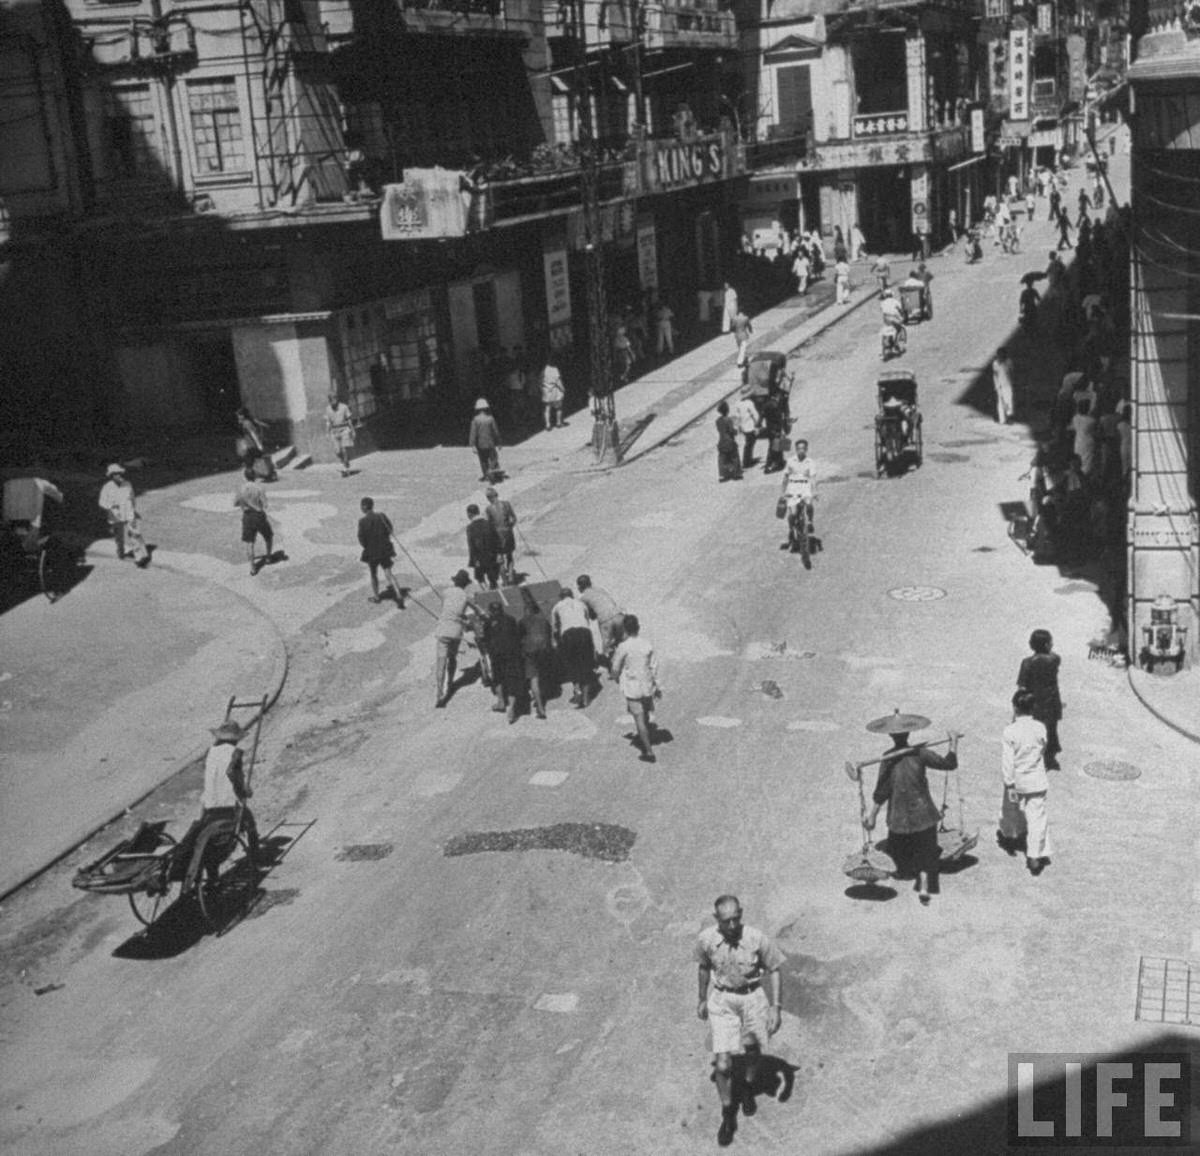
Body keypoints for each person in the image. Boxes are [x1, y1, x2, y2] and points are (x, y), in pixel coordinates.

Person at [695, 895, 785, 1147]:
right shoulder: (706, 939)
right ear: (717, 920)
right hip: (722, 1000)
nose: (733, 925)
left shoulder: (756, 938)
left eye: (737, 919)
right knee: (723, 1065)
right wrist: (701, 998)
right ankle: (727, 1114)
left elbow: (775, 968)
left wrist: (776, 1007)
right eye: (727, 921)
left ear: (741, 914)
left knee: (752, 1050)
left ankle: (747, 1087)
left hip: (752, 998)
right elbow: (702, 967)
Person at [862, 713, 959, 904]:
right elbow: (949, 764)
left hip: (899, 820)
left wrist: (872, 816)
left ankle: (911, 868)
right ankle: (924, 881)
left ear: (891, 736)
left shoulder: (888, 757)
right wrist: (953, 742)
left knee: (900, 864)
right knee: (926, 855)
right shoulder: (920, 753)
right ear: (909, 734)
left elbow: (882, 791)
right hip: (924, 816)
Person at [175, 720, 261, 886]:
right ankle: (255, 861)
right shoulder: (235, 753)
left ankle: (212, 876)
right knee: (250, 824)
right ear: (236, 739)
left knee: (208, 837)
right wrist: (244, 791)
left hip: (209, 806)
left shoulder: (211, 752)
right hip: (229, 806)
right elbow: (232, 773)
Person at [1003, 690, 1053, 875]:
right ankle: (1034, 854)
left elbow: (1007, 761)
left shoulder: (1010, 731)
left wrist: (1009, 783)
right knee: (1037, 817)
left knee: (1011, 809)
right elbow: (1043, 749)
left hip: (1018, 779)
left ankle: (1013, 836)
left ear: (1015, 707)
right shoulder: (1040, 727)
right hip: (1037, 779)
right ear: (1033, 708)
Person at [610, 613, 660, 763]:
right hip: (647, 685)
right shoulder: (646, 644)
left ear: (625, 629)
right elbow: (654, 666)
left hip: (632, 687)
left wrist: (615, 677)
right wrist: (657, 685)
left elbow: (615, 667)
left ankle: (648, 751)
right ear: (638, 627)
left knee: (638, 718)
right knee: (644, 714)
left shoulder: (623, 646)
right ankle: (645, 734)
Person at [1018, 629, 1063, 770]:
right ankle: (1049, 758)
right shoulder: (1055, 659)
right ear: (1046, 645)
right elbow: (1053, 655)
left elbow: (1022, 687)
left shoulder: (1027, 663)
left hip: (1034, 704)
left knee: (1032, 732)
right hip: (1051, 703)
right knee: (1051, 729)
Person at [434, 570, 478, 708]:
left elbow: (445, 608)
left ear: (455, 581)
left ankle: (440, 694)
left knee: (441, 663)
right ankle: (450, 683)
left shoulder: (446, 592)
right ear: (465, 584)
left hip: (443, 630)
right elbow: (477, 610)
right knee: (452, 659)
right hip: (456, 631)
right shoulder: (466, 596)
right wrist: (465, 620)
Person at [552, 588, 597, 708]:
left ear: (561, 597)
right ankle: (587, 699)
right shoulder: (581, 604)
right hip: (584, 633)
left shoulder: (557, 606)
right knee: (586, 665)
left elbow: (555, 629)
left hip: (569, 635)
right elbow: (587, 622)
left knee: (572, 663)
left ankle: (577, 689)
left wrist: (558, 644)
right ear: (572, 595)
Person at [98, 463, 149, 567]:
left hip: (128, 513)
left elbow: (133, 498)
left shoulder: (127, 484)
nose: (119, 475)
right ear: (111, 475)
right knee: (119, 537)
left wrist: (134, 510)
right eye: (116, 474)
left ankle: (139, 557)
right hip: (115, 516)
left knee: (134, 534)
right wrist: (110, 506)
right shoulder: (107, 487)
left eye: (120, 473)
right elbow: (102, 502)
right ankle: (120, 551)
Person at [480, 602, 523, 723]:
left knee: (498, 678)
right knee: (512, 680)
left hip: (496, 655)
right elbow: (516, 635)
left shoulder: (488, 623)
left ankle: (501, 702)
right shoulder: (511, 619)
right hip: (511, 653)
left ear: (491, 611)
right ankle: (512, 707)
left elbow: (485, 639)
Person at [357, 496, 404, 605]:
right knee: (388, 572)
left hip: (371, 551)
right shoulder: (381, 516)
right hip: (384, 549)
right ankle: (398, 593)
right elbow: (390, 529)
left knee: (373, 574)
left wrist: (367, 546)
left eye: (361, 506)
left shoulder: (362, 521)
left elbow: (361, 538)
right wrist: (385, 539)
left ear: (364, 507)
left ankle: (377, 597)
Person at [234, 465, 273, 576]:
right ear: (255, 476)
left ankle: (252, 568)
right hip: (259, 516)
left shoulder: (241, 489)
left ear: (245, 477)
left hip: (247, 516)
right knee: (268, 536)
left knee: (249, 543)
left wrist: (245, 503)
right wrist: (257, 504)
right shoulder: (259, 488)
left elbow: (235, 503)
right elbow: (265, 505)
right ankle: (268, 557)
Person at [576, 574, 625, 664]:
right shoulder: (600, 589)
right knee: (624, 639)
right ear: (590, 582)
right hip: (619, 615)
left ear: (580, 587)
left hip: (605, 620)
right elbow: (611, 601)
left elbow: (592, 616)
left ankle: (613, 668)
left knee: (608, 646)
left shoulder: (583, 598)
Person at [780, 438, 817, 553]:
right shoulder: (791, 461)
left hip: (805, 487)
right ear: (796, 449)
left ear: (806, 449)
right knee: (793, 513)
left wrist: (814, 491)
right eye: (798, 448)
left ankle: (810, 521)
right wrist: (783, 493)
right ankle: (791, 529)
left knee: (809, 504)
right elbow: (785, 478)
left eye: (803, 449)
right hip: (793, 487)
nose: (801, 451)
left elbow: (812, 478)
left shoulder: (810, 462)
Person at [519, 601, 553, 720]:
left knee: (534, 679)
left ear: (526, 611)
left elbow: (518, 638)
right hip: (543, 649)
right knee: (542, 672)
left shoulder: (522, 621)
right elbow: (549, 635)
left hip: (530, 651)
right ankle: (546, 692)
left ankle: (540, 707)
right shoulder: (544, 620)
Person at [484, 486, 517, 584]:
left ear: (488, 498)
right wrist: (510, 526)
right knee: (510, 555)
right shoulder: (506, 504)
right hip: (508, 532)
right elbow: (514, 518)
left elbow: (489, 526)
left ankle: (505, 581)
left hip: (497, 536)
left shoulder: (489, 509)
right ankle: (511, 575)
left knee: (500, 559)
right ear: (496, 495)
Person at [465, 503, 501, 590]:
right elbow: (497, 539)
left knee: (479, 577)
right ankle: (496, 592)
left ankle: (487, 593)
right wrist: (498, 554)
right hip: (493, 556)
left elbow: (472, 546)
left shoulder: (470, 527)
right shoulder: (488, 523)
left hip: (480, 558)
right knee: (493, 579)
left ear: (469, 514)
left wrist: (473, 561)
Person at [468, 398, 502, 483]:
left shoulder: (475, 420)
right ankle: (493, 470)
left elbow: (473, 433)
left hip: (480, 445)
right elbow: (495, 432)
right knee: (493, 458)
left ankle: (486, 474)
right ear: (486, 408)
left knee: (483, 461)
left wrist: (472, 445)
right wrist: (499, 442)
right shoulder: (490, 419)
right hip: (490, 444)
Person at [325, 393, 355, 477]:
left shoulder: (344, 407)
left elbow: (349, 420)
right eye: (330, 400)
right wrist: (327, 432)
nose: (332, 402)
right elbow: (328, 422)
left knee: (344, 449)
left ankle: (346, 469)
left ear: (337, 399)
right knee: (338, 452)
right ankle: (345, 462)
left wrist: (352, 430)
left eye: (334, 399)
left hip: (344, 430)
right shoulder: (328, 409)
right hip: (334, 432)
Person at [715, 400, 742, 482]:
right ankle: (736, 473)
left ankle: (724, 473)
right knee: (735, 456)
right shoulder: (728, 420)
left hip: (721, 441)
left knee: (723, 457)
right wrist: (736, 431)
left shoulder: (718, 420)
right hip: (729, 441)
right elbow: (731, 431)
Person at [735, 391, 761, 469]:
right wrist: (757, 424)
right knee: (750, 444)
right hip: (750, 426)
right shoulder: (749, 403)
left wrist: (738, 426)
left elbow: (737, 416)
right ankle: (747, 461)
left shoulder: (737, 403)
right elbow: (755, 414)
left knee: (748, 443)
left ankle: (748, 459)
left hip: (743, 427)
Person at [992, 346, 1015, 425]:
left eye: (1001, 355)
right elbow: (995, 375)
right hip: (1000, 385)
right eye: (999, 355)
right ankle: (1002, 419)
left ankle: (1009, 417)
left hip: (1008, 385)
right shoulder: (995, 363)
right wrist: (996, 386)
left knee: (1008, 401)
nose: (1000, 357)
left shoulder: (1008, 362)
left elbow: (1011, 372)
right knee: (1000, 402)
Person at [541, 361, 565, 430]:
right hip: (555, 391)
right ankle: (558, 423)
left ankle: (548, 424)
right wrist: (563, 389)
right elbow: (558, 381)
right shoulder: (555, 370)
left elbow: (540, 380)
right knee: (559, 408)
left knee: (547, 409)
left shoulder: (544, 370)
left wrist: (541, 388)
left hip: (546, 391)